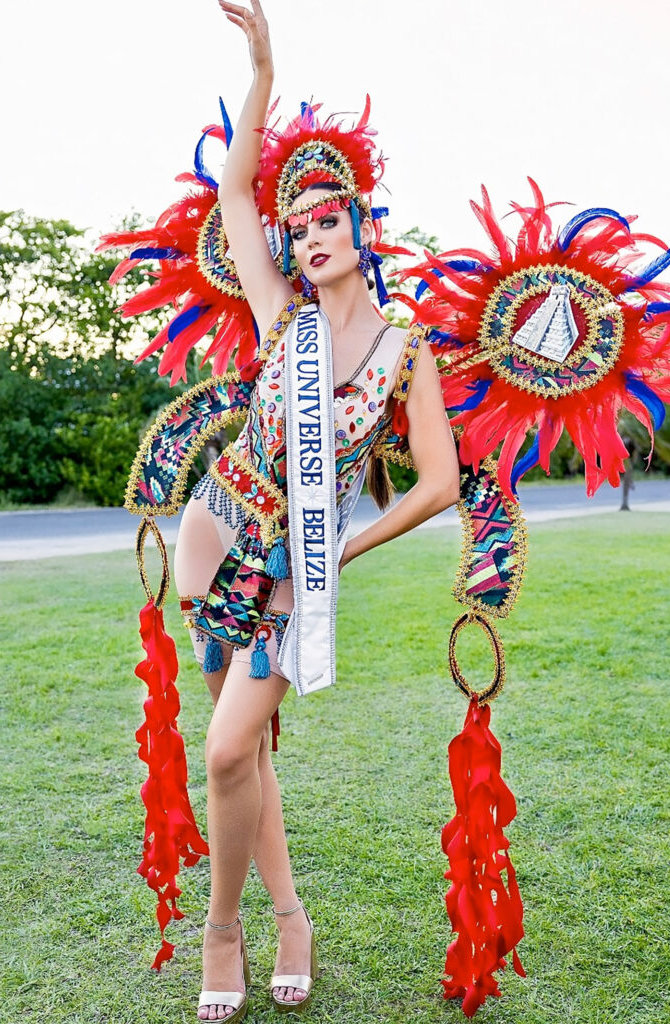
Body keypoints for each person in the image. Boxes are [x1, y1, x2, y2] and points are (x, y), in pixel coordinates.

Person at [168, 1, 460, 1020]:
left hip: (294, 569)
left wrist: (343, 548)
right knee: (236, 744)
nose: (308, 233)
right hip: (215, 527)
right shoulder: (279, 316)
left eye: (328, 217)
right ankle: (286, 914)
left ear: (363, 227)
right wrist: (262, 71)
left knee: (225, 749)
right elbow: (237, 187)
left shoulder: (405, 351)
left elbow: (439, 484)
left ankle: (224, 928)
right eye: (300, 226)